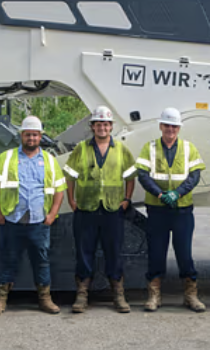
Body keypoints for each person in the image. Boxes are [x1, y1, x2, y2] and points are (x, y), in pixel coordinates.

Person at [0, 115, 66, 317]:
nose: (31, 138)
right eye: (28, 134)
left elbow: (59, 189)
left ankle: (45, 299)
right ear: (22, 135)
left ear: (40, 137)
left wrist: (52, 214)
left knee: (41, 261)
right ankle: (0, 300)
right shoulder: (7, 157)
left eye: (35, 135)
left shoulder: (49, 160)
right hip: (12, 219)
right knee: (7, 259)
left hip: (39, 221)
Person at [63, 105, 138, 313]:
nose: (102, 128)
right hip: (86, 208)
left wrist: (126, 199)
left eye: (105, 124)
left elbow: (131, 176)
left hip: (112, 209)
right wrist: (72, 200)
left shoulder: (121, 149)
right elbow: (69, 176)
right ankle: (82, 294)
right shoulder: (81, 149)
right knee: (84, 252)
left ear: (111, 126)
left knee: (113, 252)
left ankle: (118, 293)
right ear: (92, 127)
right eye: (98, 124)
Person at [136, 107, 207, 312]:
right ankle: (154, 295)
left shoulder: (188, 148)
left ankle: (191, 295)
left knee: (184, 253)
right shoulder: (149, 147)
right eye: (167, 125)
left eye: (174, 126)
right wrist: (160, 194)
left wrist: (177, 193)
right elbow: (143, 174)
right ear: (161, 126)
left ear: (179, 128)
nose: (170, 129)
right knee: (156, 252)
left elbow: (194, 176)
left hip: (182, 209)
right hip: (157, 209)